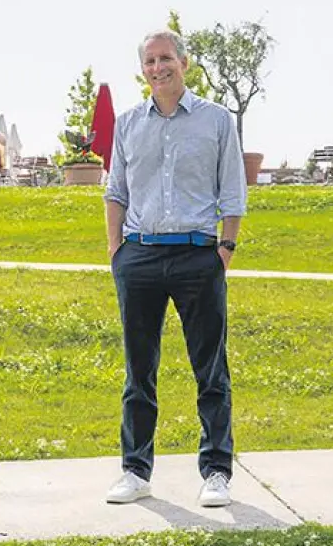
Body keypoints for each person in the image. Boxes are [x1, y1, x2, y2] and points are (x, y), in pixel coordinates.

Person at [103, 30, 247, 508]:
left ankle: (217, 472)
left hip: (197, 257)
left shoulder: (216, 120)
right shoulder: (127, 124)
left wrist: (224, 249)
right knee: (139, 372)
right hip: (139, 257)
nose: (157, 67)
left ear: (184, 63)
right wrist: (116, 252)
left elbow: (232, 190)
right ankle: (135, 470)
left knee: (211, 370)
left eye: (165, 58)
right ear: (142, 69)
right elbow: (115, 192)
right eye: (149, 60)